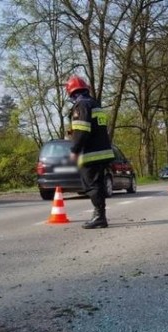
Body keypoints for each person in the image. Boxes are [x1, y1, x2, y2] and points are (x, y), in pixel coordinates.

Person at [66, 75, 115, 229]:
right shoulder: (94, 103)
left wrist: (74, 150)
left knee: (91, 186)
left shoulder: (81, 105)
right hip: (104, 152)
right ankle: (100, 216)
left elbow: (82, 131)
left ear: (71, 92)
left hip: (90, 154)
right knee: (99, 185)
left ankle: (100, 217)